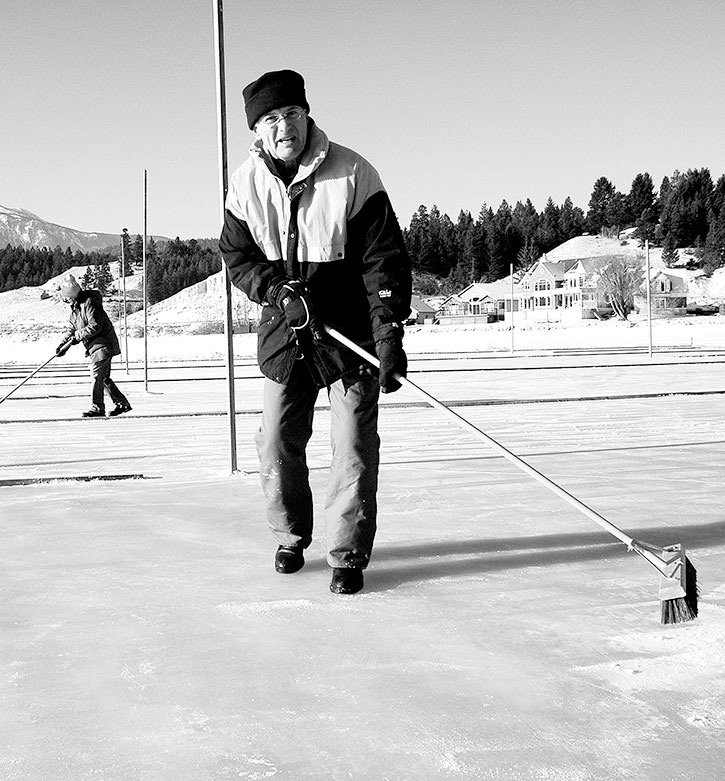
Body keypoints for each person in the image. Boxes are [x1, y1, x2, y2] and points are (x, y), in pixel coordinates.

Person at [219, 69, 412, 595]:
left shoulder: (353, 173)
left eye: (293, 114)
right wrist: (279, 291)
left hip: (347, 335)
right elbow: (237, 257)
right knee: (277, 439)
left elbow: (383, 262)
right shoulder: (245, 183)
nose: (285, 126)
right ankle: (290, 535)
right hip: (286, 333)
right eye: (271, 119)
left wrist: (388, 333)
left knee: (352, 445)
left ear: (308, 116)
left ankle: (347, 555)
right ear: (257, 130)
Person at [55, 274, 132, 418]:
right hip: (94, 347)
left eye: (67, 297)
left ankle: (97, 408)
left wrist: (77, 337)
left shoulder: (89, 303)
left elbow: (95, 326)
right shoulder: (75, 309)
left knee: (96, 375)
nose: (66, 300)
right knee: (103, 378)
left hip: (103, 344)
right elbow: (71, 329)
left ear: (72, 295)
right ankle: (122, 403)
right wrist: (63, 344)